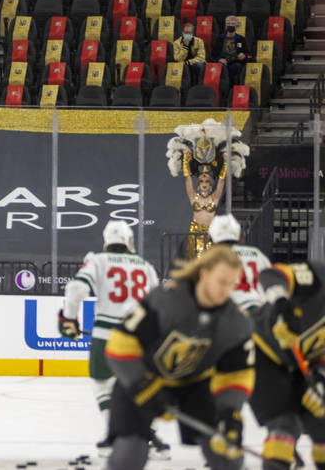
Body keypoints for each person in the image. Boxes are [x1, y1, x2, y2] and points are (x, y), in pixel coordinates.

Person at [104, 245, 252, 470]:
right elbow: (120, 346)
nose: (226, 290)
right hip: (143, 379)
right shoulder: (167, 301)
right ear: (204, 274)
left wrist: (228, 412)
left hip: (194, 386)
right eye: (222, 282)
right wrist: (144, 386)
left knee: (226, 454)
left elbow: (237, 375)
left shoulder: (236, 323)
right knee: (130, 455)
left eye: (232, 284)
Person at [59, 221, 161, 457]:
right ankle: (145, 435)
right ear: (129, 241)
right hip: (140, 339)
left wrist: (69, 318)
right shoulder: (146, 266)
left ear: (107, 240)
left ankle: (115, 434)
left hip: (106, 336)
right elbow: (157, 306)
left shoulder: (98, 259)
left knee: (102, 384)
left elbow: (76, 290)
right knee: (139, 389)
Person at [249, 260, 325, 470]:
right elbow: (271, 274)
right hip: (260, 349)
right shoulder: (317, 277)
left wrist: (320, 380)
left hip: (298, 361)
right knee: (285, 422)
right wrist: (281, 302)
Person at [205, 214, 269, 311]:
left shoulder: (214, 257)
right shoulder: (257, 254)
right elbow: (271, 281)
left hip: (232, 313)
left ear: (212, 237)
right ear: (238, 235)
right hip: (260, 311)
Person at [181, 148, 226, 258]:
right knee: (196, 260)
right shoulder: (193, 197)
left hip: (211, 232)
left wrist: (226, 162)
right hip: (195, 232)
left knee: (210, 260)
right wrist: (185, 161)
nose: (204, 183)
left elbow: (221, 181)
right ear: (198, 184)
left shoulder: (215, 197)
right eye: (201, 181)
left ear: (210, 184)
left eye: (207, 181)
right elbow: (188, 179)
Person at [216, 16, 248, 88]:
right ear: (225, 26)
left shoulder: (241, 39)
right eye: (228, 24)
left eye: (233, 24)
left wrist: (244, 55)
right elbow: (214, 53)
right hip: (222, 62)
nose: (230, 26)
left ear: (237, 26)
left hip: (236, 62)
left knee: (236, 67)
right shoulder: (219, 38)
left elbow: (247, 53)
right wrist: (219, 59)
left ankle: (235, 88)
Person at [172, 21, 207, 85]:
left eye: (190, 33)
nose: (188, 35)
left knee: (201, 65)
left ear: (193, 34)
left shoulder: (199, 41)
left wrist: (188, 62)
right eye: (186, 33)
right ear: (182, 33)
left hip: (194, 62)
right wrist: (185, 47)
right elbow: (177, 58)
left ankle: (199, 85)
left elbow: (201, 57)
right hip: (182, 63)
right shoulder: (176, 43)